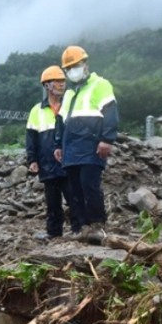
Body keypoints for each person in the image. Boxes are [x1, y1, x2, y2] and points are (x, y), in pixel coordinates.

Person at [54, 46, 118, 245]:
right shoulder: (70, 94)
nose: (73, 70)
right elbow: (61, 121)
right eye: (69, 68)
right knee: (74, 191)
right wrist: (58, 144)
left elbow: (110, 112)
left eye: (76, 65)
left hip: (91, 147)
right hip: (71, 148)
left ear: (85, 64)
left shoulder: (100, 84)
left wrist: (106, 139)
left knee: (89, 186)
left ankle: (97, 224)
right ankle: (82, 227)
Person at [27, 66, 81, 240]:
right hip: (47, 162)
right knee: (52, 201)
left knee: (74, 197)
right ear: (46, 86)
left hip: (69, 160)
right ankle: (54, 232)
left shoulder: (71, 105)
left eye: (62, 81)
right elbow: (31, 137)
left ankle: (78, 230)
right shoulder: (37, 110)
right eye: (56, 81)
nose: (61, 84)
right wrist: (32, 160)